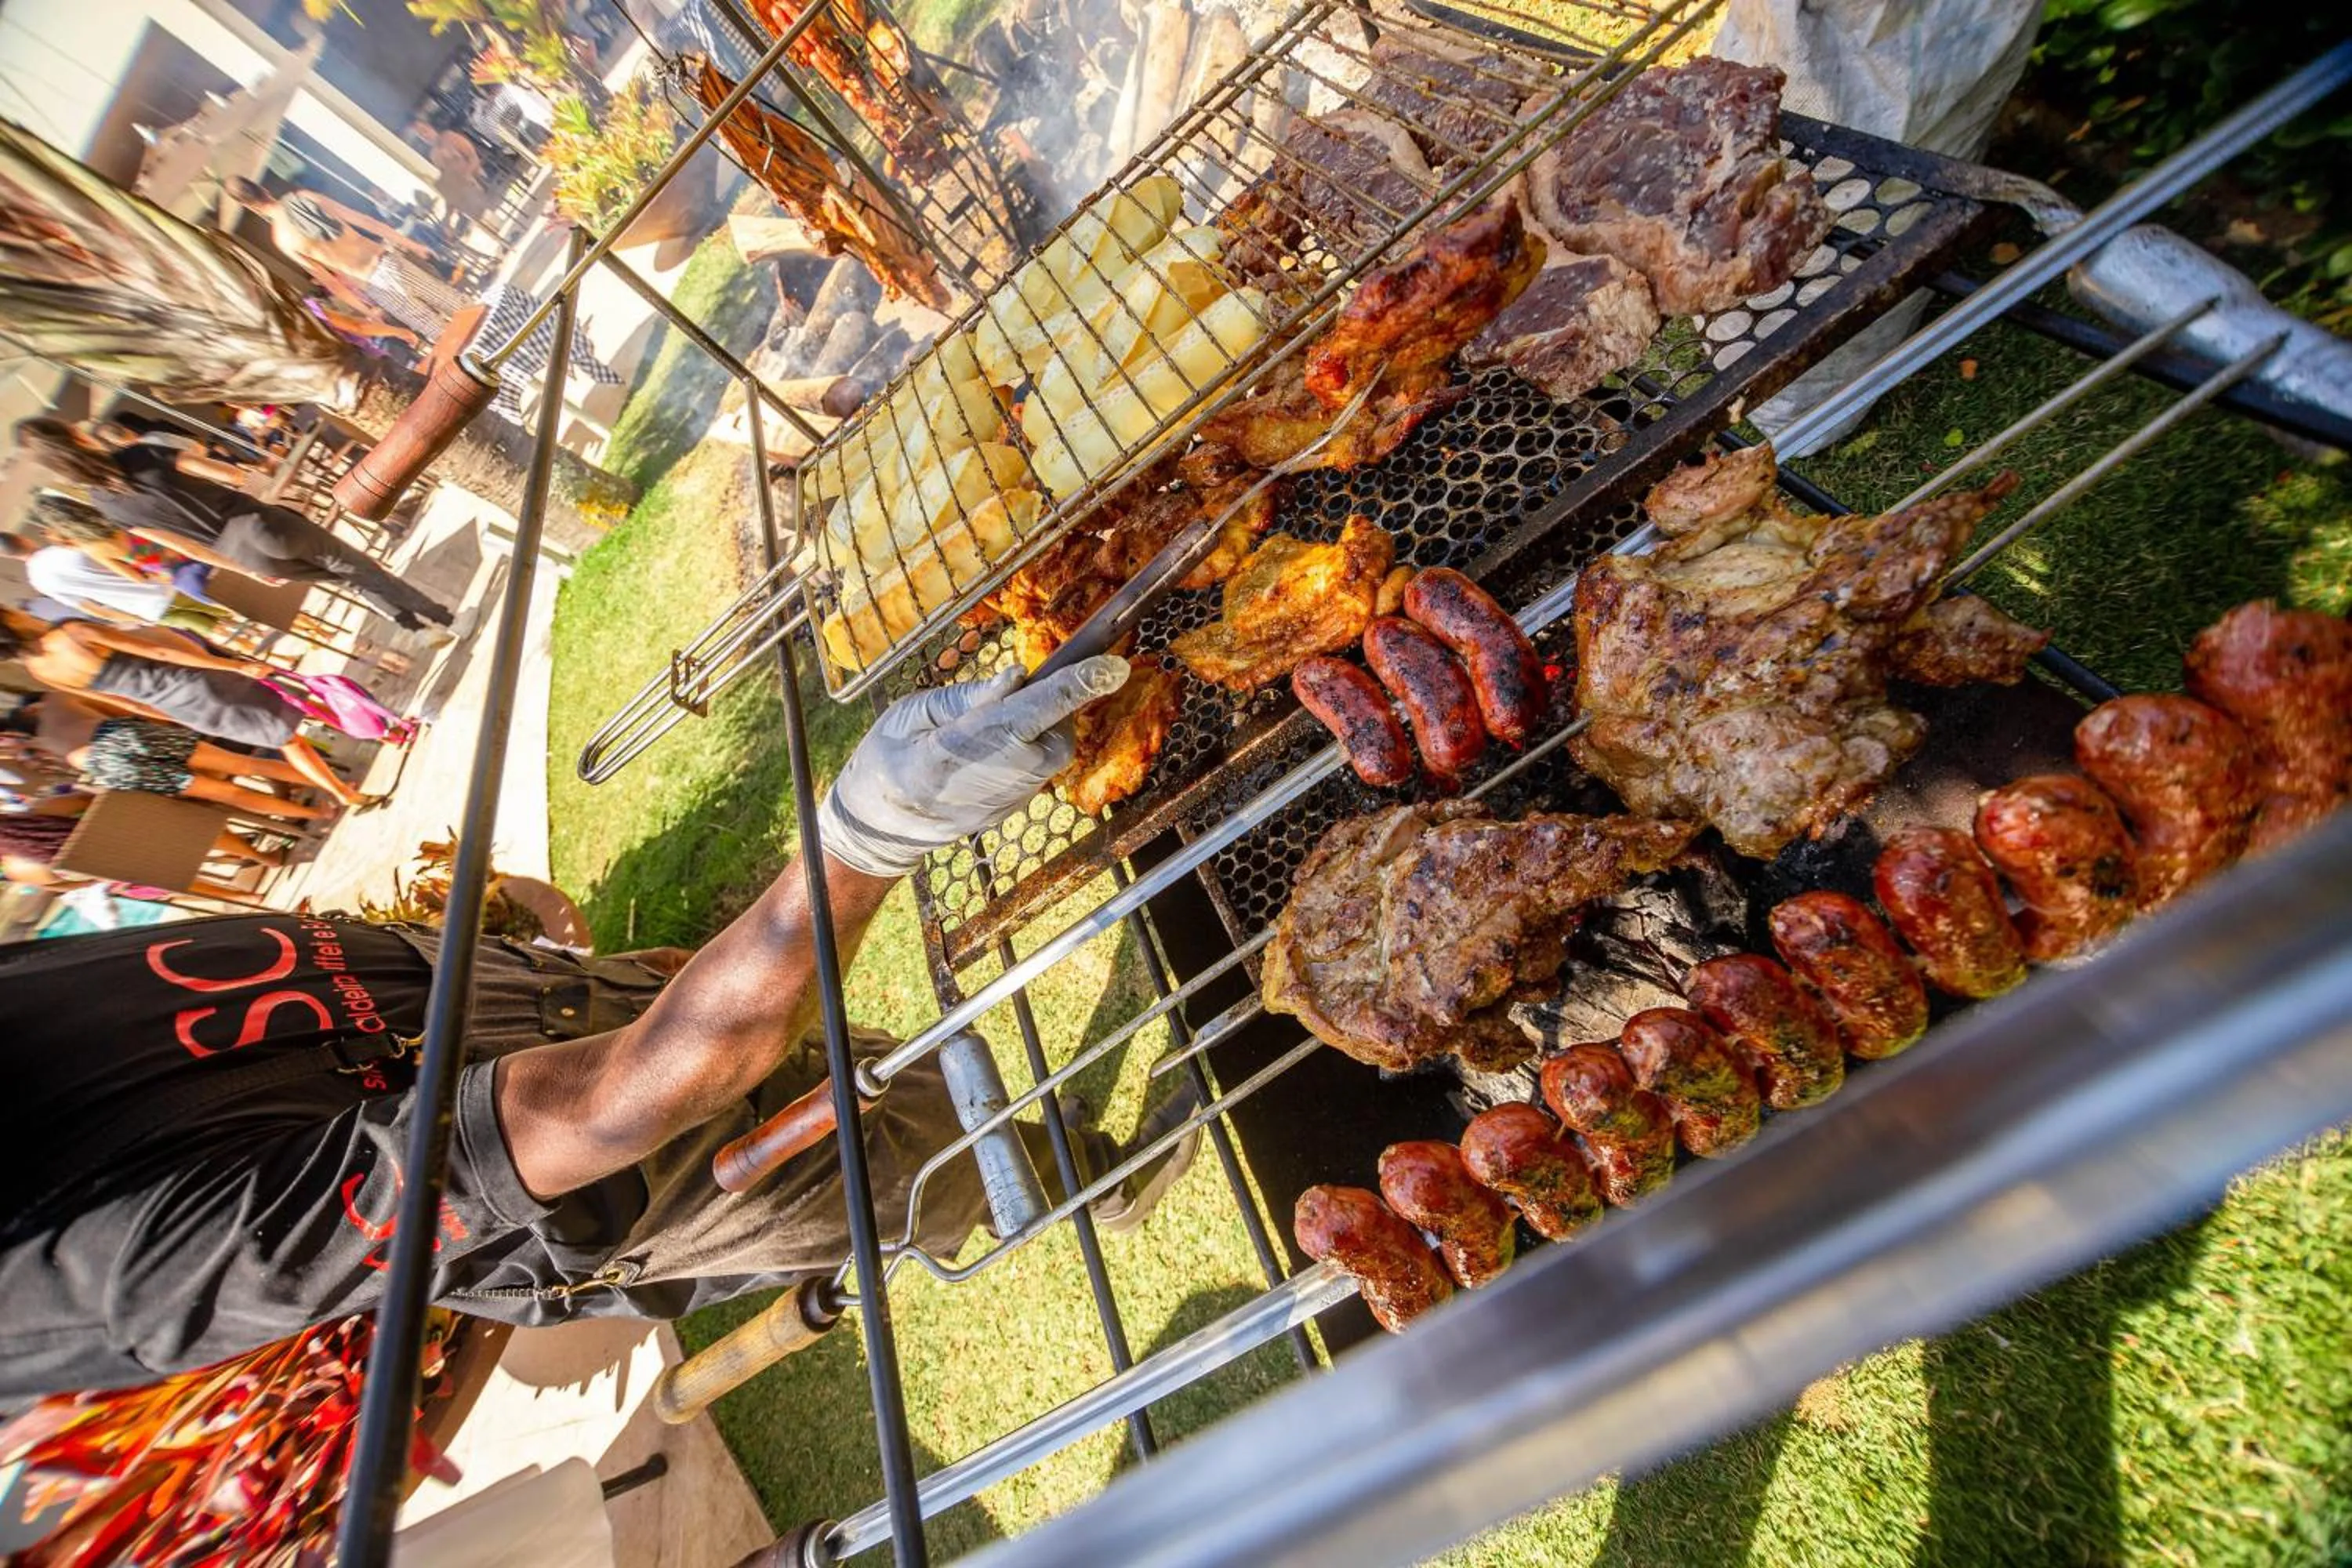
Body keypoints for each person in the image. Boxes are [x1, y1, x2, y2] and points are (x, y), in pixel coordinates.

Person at [0, 655, 1203, 1400]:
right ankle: (1098, 1180)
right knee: (915, 1170)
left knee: (881, 1069)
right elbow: (597, 1110)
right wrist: (862, 843)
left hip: (618, 1023)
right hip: (656, 1165)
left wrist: (576, 968)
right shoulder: (101, 1269)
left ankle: (1013, 1131)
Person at [225, 176, 619, 425]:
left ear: (249, 206)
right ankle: (557, 358)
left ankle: (531, 383)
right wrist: (410, 242)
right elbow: (369, 223)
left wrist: (365, 307)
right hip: (389, 260)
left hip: (377, 285)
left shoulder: (283, 240)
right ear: (263, 189)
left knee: (455, 338)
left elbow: (333, 280)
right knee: (474, 309)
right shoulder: (306, 196)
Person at [13, 418, 456, 635]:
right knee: (361, 569)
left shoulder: (106, 508)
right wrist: (252, 482)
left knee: (344, 582)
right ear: (76, 438)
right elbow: (227, 474)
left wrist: (244, 570)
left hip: (241, 552)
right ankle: (441, 617)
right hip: (257, 520)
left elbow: (181, 545)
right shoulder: (141, 454)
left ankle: (415, 629)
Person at [1, 610, 380, 810]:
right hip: (195, 677)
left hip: (175, 703)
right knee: (294, 704)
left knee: (284, 737)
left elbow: (121, 702)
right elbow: (159, 651)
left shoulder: (41, 671)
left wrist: (167, 716)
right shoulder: (70, 632)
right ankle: (376, 729)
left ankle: (339, 787)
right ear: (10, 620)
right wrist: (235, 665)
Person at [2, 692, 335, 823]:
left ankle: (314, 813)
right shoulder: (56, 701)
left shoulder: (43, 743)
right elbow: (123, 710)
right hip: (119, 736)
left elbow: (65, 771)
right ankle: (331, 788)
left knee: (229, 794)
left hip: (104, 766)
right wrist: (170, 724)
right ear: (31, 709)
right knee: (246, 764)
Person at [0, 529, 231, 638]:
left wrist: (131, 619)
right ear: (22, 538)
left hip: (146, 610)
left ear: (10, 556)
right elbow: (129, 560)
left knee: (217, 631)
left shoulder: (40, 583)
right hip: (166, 586)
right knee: (231, 609)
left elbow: (89, 608)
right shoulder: (70, 547)